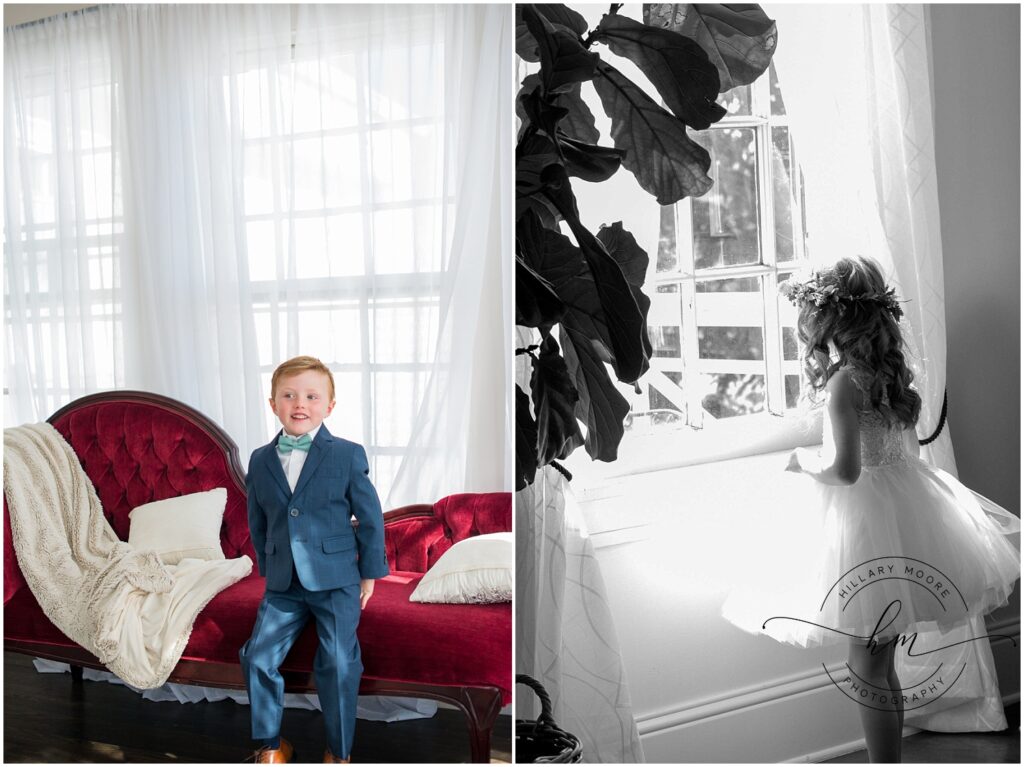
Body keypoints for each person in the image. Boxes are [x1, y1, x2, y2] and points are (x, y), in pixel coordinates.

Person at [721, 257, 1019, 762]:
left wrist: (802, 463)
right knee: (879, 662)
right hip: (906, 515)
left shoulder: (844, 383)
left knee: (868, 664)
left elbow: (845, 472)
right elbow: (908, 457)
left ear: (830, 321)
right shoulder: (893, 377)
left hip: (862, 525)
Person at [240, 355, 390, 764]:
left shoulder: (346, 454)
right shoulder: (260, 459)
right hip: (283, 584)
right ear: (273, 404)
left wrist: (369, 573)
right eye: (288, 395)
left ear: (329, 405)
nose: (299, 403)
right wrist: (269, 568)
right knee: (256, 656)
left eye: (310, 396)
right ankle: (270, 745)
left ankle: (338, 752)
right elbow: (258, 520)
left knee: (339, 662)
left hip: (337, 578)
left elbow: (371, 517)